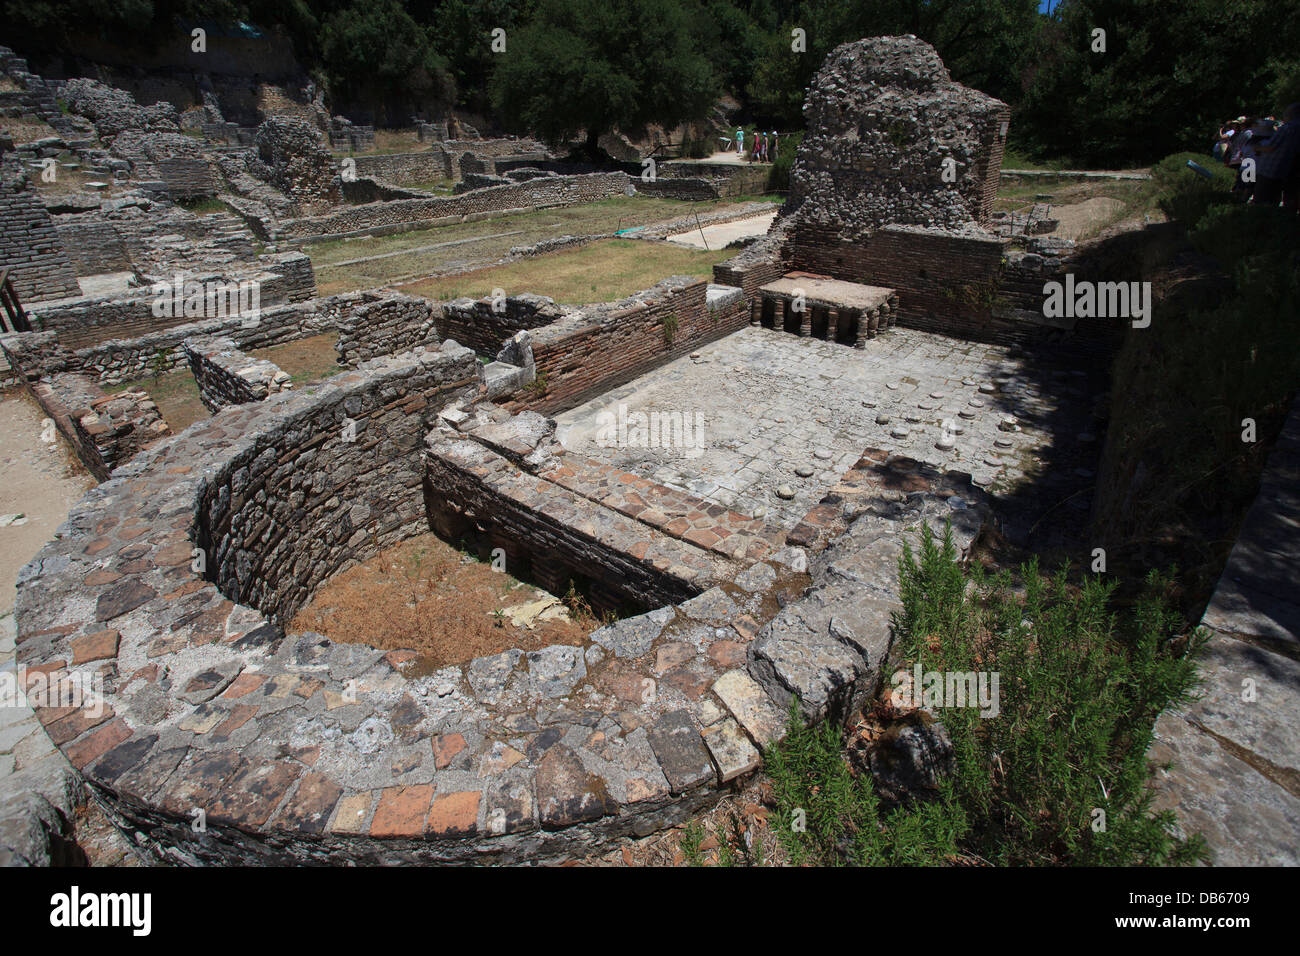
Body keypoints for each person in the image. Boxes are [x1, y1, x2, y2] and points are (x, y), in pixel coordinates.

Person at [1254, 104, 1300, 209]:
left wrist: (1257, 148)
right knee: (1290, 202)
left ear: (1290, 114)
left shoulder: (1287, 128)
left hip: (1272, 170)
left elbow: (1271, 147)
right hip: (1291, 171)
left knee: (1263, 203)